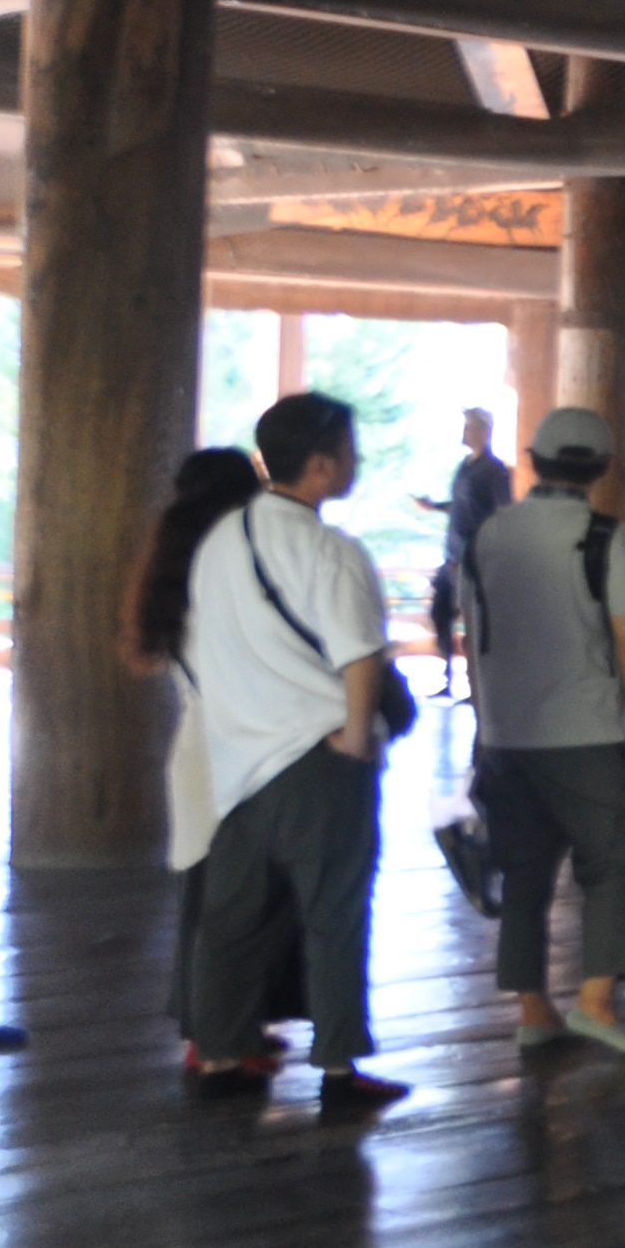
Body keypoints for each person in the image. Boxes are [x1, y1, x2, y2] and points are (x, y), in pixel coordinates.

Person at [179, 394, 404, 1109]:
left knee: (231, 921)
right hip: (319, 760)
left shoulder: (221, 541)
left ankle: (219, 1057)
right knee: (334, 915)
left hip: (238, 764)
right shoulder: (329, 550)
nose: (355, 461)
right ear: (321, 465)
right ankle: (338, 1070)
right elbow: (360, 656)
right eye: (349, 450)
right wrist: (356, 736)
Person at [464, 405, 625, 1056]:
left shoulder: (490, 533)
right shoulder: (605, 536)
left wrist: (484, 719)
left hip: (506, 732)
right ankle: (596, 1001)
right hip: (584, 729)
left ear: (532, 461)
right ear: (602, 468)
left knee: (523, 873)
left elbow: (475, 637)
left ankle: (534, 1009)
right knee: (614, 861)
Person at [138, 447, 291, 1072]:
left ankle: (225, 1029)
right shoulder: (233, 568)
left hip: (201, 751)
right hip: (242, 753)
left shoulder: (174, 567)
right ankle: (216, 1042)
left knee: (211, 901)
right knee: (233, 908)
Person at [417, 405, 511, 700]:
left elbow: (501, 515)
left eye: (469, 427)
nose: (464, 432)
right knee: (440, 613)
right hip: (452, 557)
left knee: (474, 623)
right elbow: (462, 506)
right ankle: (447, 680)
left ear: (483, 431)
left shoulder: (494, 471)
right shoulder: (465, 466)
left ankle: (476, 688)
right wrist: (436, 507)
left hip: (474, 560)